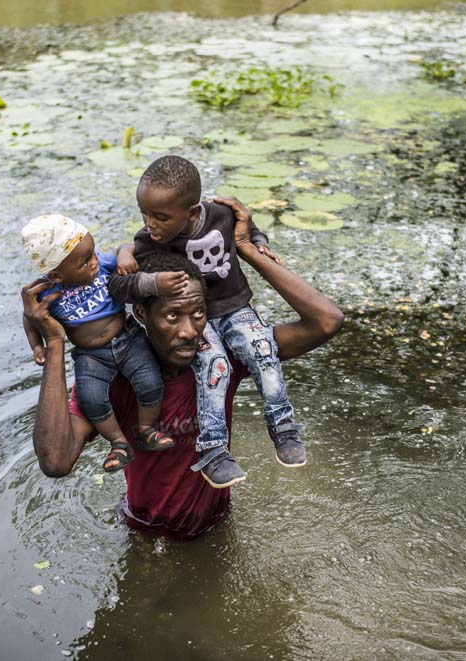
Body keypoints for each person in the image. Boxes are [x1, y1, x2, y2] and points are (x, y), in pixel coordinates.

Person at [22, 198, 343, 539]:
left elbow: (326, 321)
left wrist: (246, 249)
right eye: (173, 316)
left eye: (199, 314)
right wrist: (55, 345)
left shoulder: (220, 364)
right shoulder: (118, 380)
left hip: (218, 525)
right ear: (143, 315)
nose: (191, 331)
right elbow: (56, 462)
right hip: (146, 533)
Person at [112, 155, 303, 489]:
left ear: (193, 211)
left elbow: (252, 230)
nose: (150, 224)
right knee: (216, 365)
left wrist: (258, 244)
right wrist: (127, 256)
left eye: (160, 217)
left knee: (263, 349)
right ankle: (213, 449)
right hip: (198, 321)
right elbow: (119, 287)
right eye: (144, 215)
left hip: (234, 307)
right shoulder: (148, 241)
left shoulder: (221, 215)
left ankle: (283, 428)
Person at [21, 214, 182, 473]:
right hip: (89, 355)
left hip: (127, 338)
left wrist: (124, 257)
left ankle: (147, 429)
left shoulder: (104, 264)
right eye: (85, 262)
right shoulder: (47, 293)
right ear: (56, 273)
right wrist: (38, 345)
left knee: (150, 379)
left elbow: (124, 247)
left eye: (93, 254)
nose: (95, 262)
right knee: (91, 398)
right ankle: (118, 442)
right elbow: (30, 318)